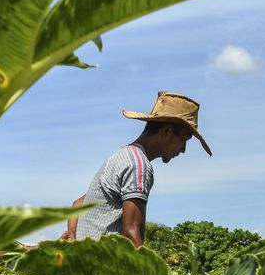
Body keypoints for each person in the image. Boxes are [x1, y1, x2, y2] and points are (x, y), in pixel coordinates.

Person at [62, 91, 212, 247]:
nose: (183, 149)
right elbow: (131, 234)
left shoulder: (123, 156)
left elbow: (79, 203)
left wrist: (72, 232)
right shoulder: (138, 165)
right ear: (167, 131)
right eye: (183, 140)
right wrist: (152, 272)